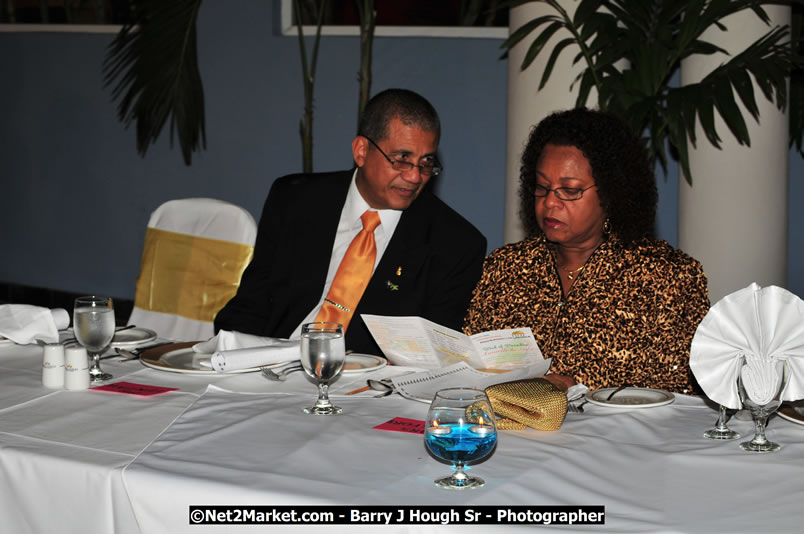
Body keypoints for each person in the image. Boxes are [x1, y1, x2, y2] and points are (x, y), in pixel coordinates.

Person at [215, 89, 487, 355]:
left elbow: (432, 355)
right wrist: (234, 358)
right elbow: (251, 304)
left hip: (368, 379)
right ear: (361, 151)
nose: (415, 177)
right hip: (272, 362)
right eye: (402, 160)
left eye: (426, 163)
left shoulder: (455, 243)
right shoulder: (295, 200)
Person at [463, 108, 709, 394]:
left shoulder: (667, 278)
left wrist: (580, 386)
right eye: (542, 187)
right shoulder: (506, 268)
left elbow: (682, 389)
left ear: (610, 193)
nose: (550, 202)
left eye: (569, 190)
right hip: (508, 421)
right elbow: (471, 364)